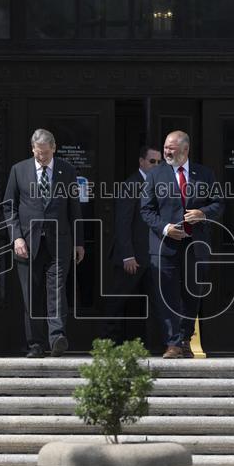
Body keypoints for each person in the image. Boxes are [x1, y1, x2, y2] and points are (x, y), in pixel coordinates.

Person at [140, 130, 224, 359]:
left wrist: (202, 213)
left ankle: (186, 339)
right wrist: (166, 228)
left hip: (195, 245)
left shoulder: (204, 174)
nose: (166, 151)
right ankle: (172, 343)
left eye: (171, 148)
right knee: (166, 295)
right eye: (166, 147)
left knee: (192, 294)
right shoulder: (155, 174)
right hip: (164, 245)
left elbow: (218, 204)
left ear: (185, 150)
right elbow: (146, 210)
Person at [3, 129, 85, 358]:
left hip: (59, 242)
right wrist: (16, 237)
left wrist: (79, 242)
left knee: (56, 291)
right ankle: (36, 344)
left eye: (46, 154)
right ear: (33, 149)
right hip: (27, 244)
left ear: (54, 148)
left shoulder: (67, 170)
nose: (42, 158)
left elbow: (74, 207)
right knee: (31, 295)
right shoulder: (19, 170)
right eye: (38, 154)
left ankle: (57, 337)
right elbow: (9, 207)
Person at [103, 146, 163, 348]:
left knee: (157, 301)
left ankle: (160, 343)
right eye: (152, 161)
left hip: (153, 256)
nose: (156, 165)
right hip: (132, 257)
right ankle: (109, 344)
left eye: (159, 162)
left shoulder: (160, 184)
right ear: (142, 162)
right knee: (118, 301)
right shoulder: (131, 185)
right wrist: (127, 255)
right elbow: (122, 222)